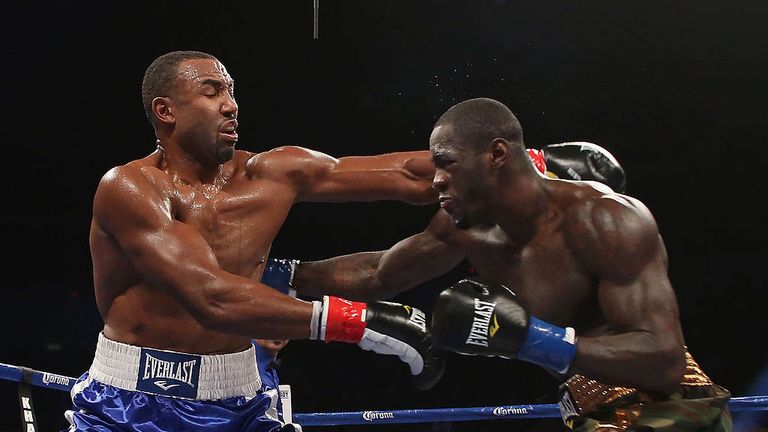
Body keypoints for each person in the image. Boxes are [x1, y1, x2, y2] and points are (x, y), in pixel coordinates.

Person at [283, 98, 732, 431]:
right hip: (589, 413)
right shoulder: (464, 227)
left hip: (675, 412)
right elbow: (379, 273)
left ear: (497, 155)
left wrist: (532, 340)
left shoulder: (604, 220)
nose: (435, 179)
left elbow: (665, 360)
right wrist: (273, 270)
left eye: (447, 164)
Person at [64, 50, 445, 432]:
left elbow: (412, 176)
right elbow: (210, 296)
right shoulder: (129, 188)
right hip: (128, 403)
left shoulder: (271, 175)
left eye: (231, 91)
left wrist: (493, 162)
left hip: (240, 398)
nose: (230, 105)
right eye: (211, 92)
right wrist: (357, 321)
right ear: (166, 111)